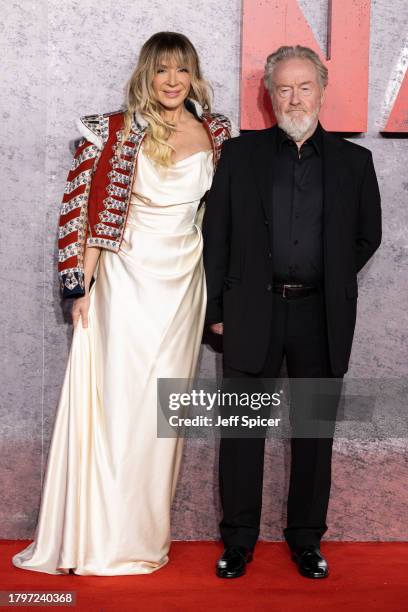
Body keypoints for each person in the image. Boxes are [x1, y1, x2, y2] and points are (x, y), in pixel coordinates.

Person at [12, 31, 235, 576]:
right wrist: (79, 286)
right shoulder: (114, 130)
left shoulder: (218, 133)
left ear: (194, 75)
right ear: (146, 74)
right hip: (125, 281)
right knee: (115, 407)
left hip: (185, 286)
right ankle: (100, 539)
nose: (172, 81)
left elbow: (230, 218)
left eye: (182, 70)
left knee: (162, 415)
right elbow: (85, 209)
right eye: (162, 70)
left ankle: (141, 535)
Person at [203, 45, 381, 579]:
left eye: (305, 87)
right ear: (269, 93)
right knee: (241, 435)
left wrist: (325, 277)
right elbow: (217, 238)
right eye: (283, 87)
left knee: (314, 437)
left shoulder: (355, 162)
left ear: (322, 91)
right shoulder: (239, 156)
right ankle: (238, 542)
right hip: (250, 312)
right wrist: (218, 310)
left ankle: (306, 541)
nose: (294, 97)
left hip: (320, 317)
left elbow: (367, 236)